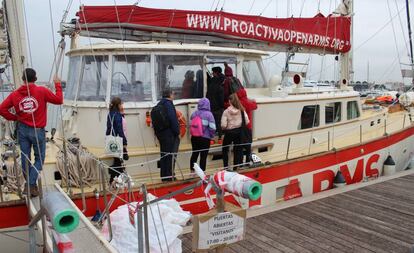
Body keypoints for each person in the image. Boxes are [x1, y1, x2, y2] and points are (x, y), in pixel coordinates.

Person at [0, 68, 63, 197]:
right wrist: (57, 84)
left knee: (25, 158)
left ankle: (31, 186)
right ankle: (29, 184)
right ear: (35, 78)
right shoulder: (42, 91)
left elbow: (2, 109)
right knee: (40, 159)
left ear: (23, 79)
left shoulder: (15, 94)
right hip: (37, 130)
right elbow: (59, 100)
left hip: (22, 130)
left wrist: (15, 117)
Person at [154, 87, 180, 182]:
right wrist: (177, 132)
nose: (174, 96)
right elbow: (173, 119)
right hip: (170, 135)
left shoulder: (159, 104)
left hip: (161, 134)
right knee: (170, 156)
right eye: (173, 94)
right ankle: (169, 177)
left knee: (164, 155)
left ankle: (164, 176)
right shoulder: (169, 104)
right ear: (170, 95)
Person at [221, 94, 249, 170]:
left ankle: (226, 167)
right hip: (239, 131)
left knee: (225, 149)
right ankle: (235, 167)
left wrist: (227, 127)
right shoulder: (242, 110)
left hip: (229, 132)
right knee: (237, 149)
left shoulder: (226, 111)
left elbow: (223, 125)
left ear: (230, 101)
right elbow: (247, 121)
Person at [106, 97, 129, 184]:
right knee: (119, 161)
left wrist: (107, 138)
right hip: (118, 140)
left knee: (117, 160)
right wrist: (125, 142)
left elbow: (108, 128)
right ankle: (114, 180)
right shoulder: (117, 115)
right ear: (119, 105)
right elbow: (120, 129)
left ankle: (114, 179)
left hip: (112, 140)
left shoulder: (110, 114)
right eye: (121, 104)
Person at [189, 98, 216, 172]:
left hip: (194, 137)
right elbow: (212, 128)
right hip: (205, 138)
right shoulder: (209, 115)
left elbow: (191, 123)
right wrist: (211, 135)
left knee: (194, 154)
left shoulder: (194, 113)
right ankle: (202, 172)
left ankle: (192, 171)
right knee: (203, 156)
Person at [236, 88, 257, 163]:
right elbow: (255, 106)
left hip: (240, 128)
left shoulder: (238, 103)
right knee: (248, 146)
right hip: (248, 127)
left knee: (240, 147)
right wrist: (253, 101)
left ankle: (240, 163)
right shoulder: (248, 103)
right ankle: (248, 162)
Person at [206, 66, 225, 141]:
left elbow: (207, 95)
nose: (212, 74)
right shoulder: (220, 85)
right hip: (218, 108)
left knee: (211, 123)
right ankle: (220, 138)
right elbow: (221, 99)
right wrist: (221, 106)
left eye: (213, 72)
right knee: (219, 123)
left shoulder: (211, 84)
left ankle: (212, 139)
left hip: (211, 107)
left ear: (216, 73)